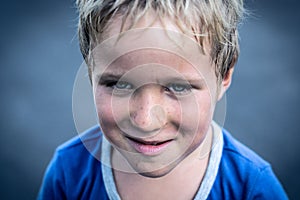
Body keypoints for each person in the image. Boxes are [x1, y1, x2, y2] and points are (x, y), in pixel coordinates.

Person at [38, 0, 288, 199]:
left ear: (224, 75)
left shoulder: (251, 188)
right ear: (90, 71)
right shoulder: (68, 173)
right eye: (119, 84)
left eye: (178, 87)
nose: (146, 121)